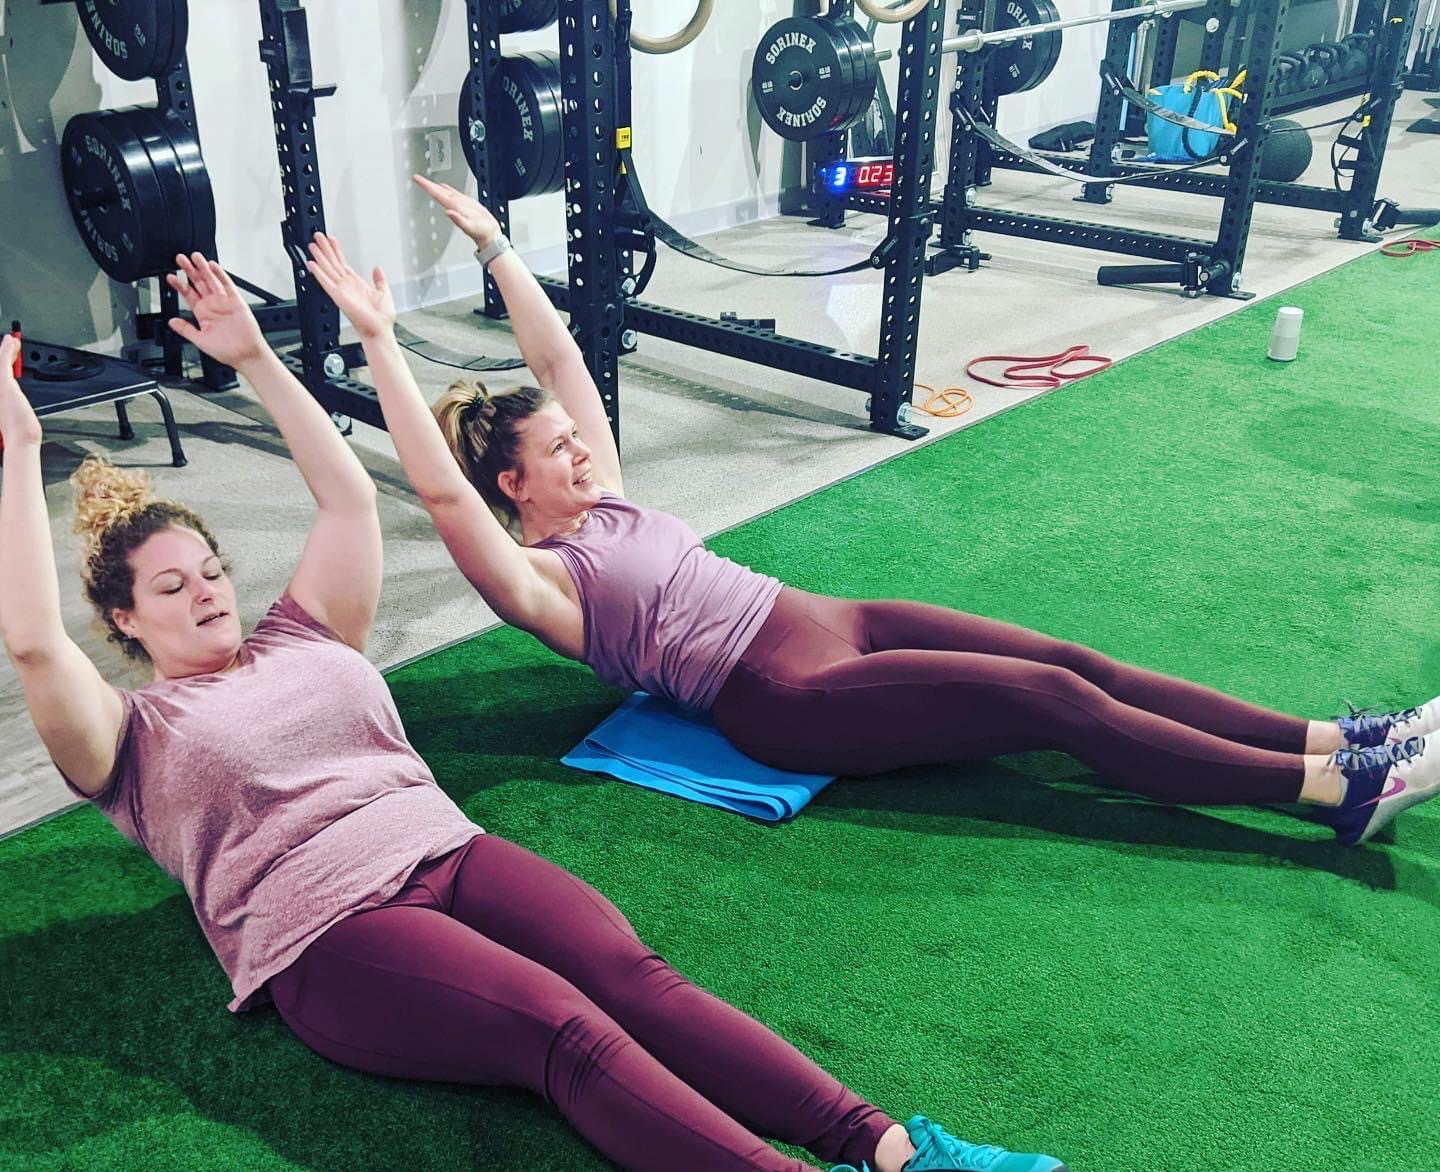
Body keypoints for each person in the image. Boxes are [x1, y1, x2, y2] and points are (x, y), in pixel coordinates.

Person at [0, 261, 1069, 1172]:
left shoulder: (301, 633)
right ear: (125, 623)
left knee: (638, 978)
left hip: (445, 848)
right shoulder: (129, 735)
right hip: (329, 930)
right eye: (172, 588)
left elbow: (344, 499)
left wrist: (258, 361)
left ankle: (886, 1146)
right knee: (562, 1027)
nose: (208, 595)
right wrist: (21, 450)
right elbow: (38, 648)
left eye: (213, 571)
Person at [306, 179, 1438, 851]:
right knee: (1050, 703)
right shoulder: (543, 585)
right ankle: (1334, 797)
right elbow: (443, 494)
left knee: (1066, 656)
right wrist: (376, 339)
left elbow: (558, 353)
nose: (581, 448)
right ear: (517, 489)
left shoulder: (599, 489)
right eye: (557, 449)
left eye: (573, 435)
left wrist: (495, 245)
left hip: (831, 616)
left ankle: (1341, 738)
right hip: (785, 696)